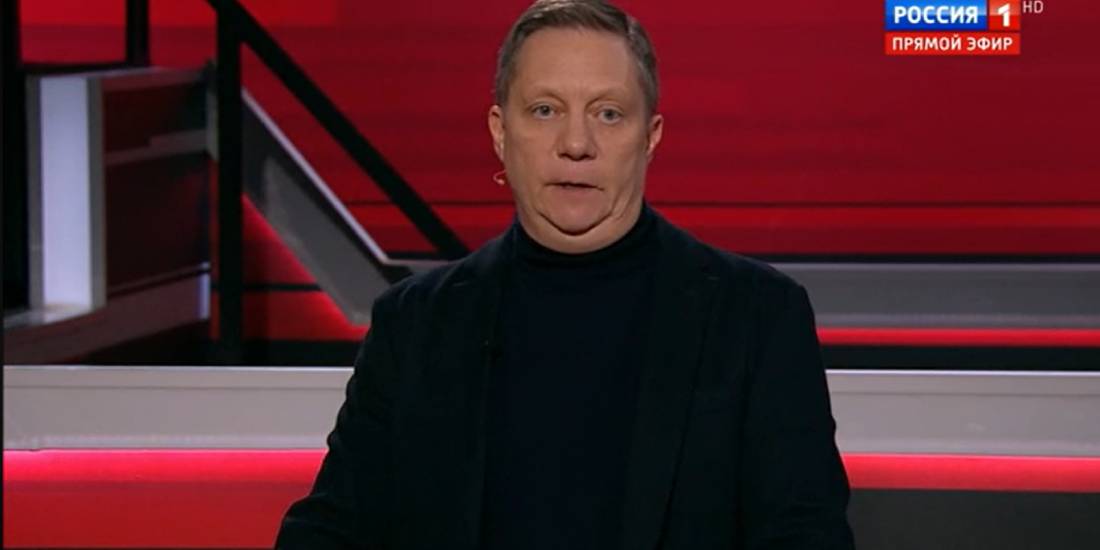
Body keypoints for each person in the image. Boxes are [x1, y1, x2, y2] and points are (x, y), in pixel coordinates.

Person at [276, 1, 854, 548]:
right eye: (545, 110)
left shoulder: (756, 318)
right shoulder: (415, 324)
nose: (576, 144)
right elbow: (332, 528)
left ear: (650, 137)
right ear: (500, 132)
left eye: (608, 114)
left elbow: (804, 536)